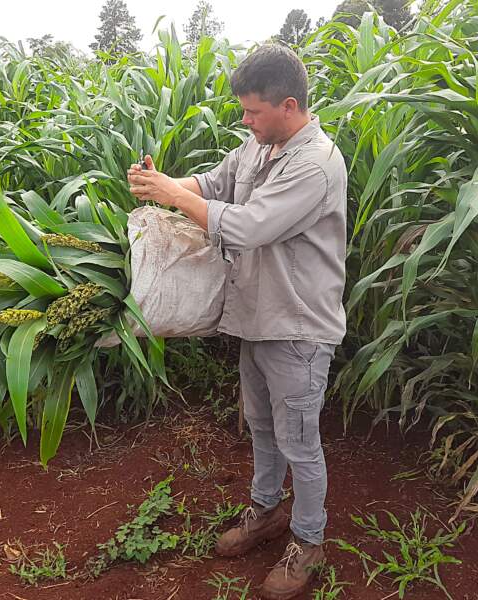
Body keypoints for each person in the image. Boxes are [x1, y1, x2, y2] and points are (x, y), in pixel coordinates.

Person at [128, 44, 347, 599]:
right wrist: (172, 183)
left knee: (300, 440)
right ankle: (267, 514)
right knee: (264, 428)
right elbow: (217, 183)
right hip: (254, 315)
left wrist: (173, 198)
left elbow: (247, 227)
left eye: (253, 112)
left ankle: (308, 542)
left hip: (297, 326)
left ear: (289, 106)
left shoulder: (315, 164)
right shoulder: (259, 145)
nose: (244, 122)